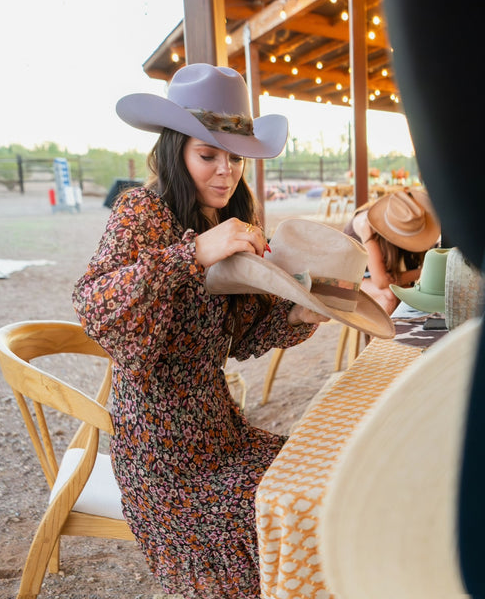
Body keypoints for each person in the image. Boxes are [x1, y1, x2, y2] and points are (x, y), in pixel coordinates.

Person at [72, 63, 328, 598]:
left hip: (220, 431)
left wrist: (300, 313)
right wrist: (191, 254)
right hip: (161, 458)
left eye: (234, 157)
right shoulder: (141, 212)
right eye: (207, 154)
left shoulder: (227, 219)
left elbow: (243, 337)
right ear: (175, 151)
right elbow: (95, 306)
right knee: (276, 508)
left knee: (314, 481)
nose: (225, 171)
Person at [344, 187, 442, 314]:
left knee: (418, 296)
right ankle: (382, 334)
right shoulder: (366, 224)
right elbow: (382, 282)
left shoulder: (413, 216)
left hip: (383, 277)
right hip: (351, 280)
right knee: (389, 296)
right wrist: (423, 271)